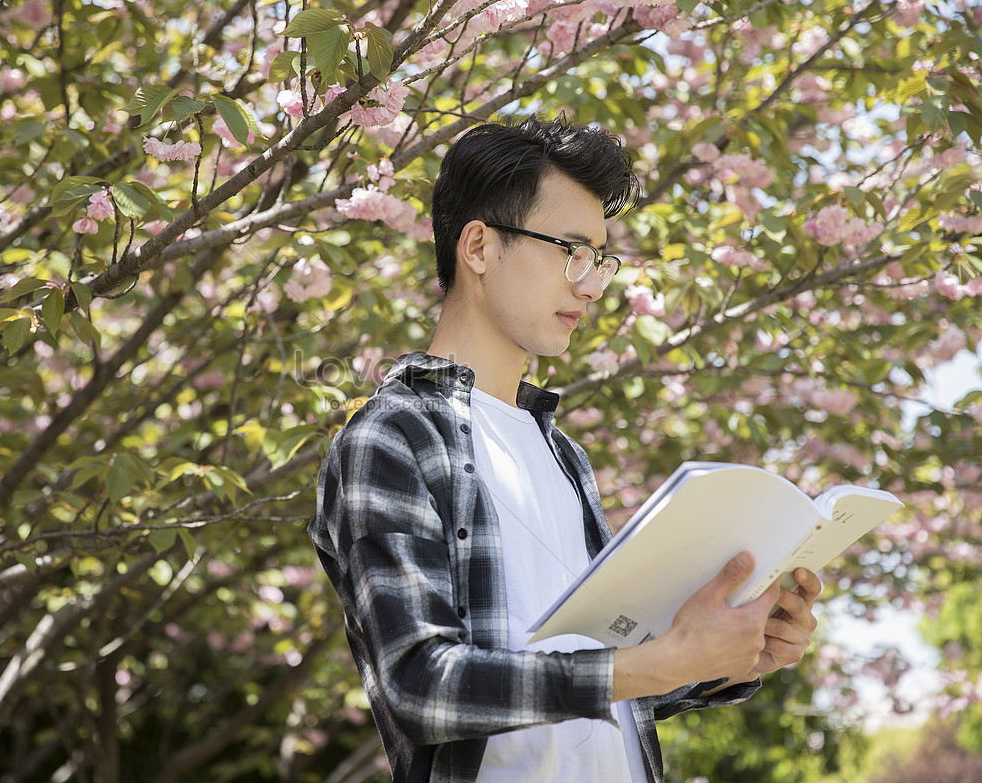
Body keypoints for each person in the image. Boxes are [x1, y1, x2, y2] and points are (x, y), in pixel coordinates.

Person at [308, 115, 821, 783]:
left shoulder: (561, 453)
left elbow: (590, 683)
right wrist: (657, 663)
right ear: (480, 247)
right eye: (570, 250)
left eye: (600, 260)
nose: (591, 286)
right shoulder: (395, 436)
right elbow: (420, 685)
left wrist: (728, 657)